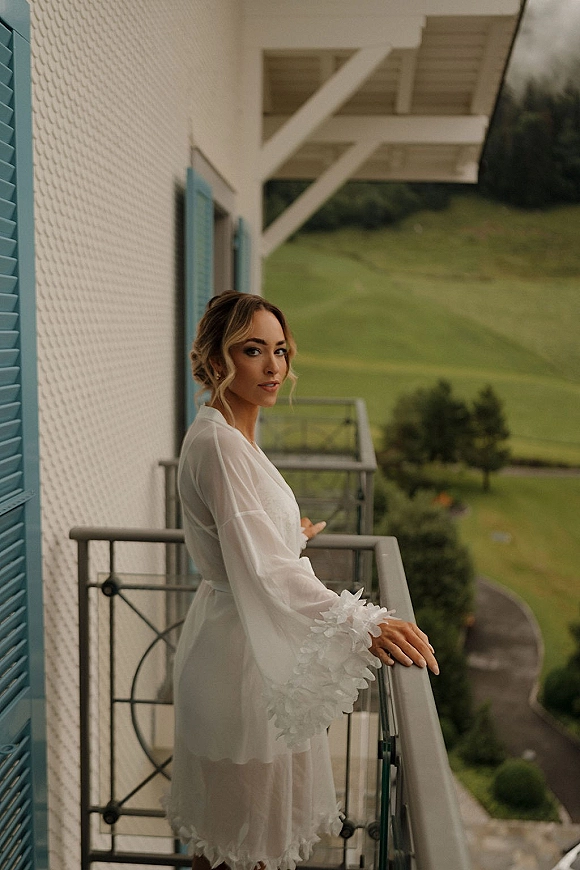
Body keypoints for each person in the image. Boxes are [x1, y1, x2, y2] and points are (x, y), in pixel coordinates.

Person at [164, 292, 438, 870]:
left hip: (243, 652)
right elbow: (261, 566)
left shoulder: (231, 436)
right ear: (219, 357)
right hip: (238, 667)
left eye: (280, 351)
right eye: (252, 350)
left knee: (237, 845)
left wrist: (293, 533)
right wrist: (365, 620)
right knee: (240, 851)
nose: (272, 366)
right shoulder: (218, 444)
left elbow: (248, 534)